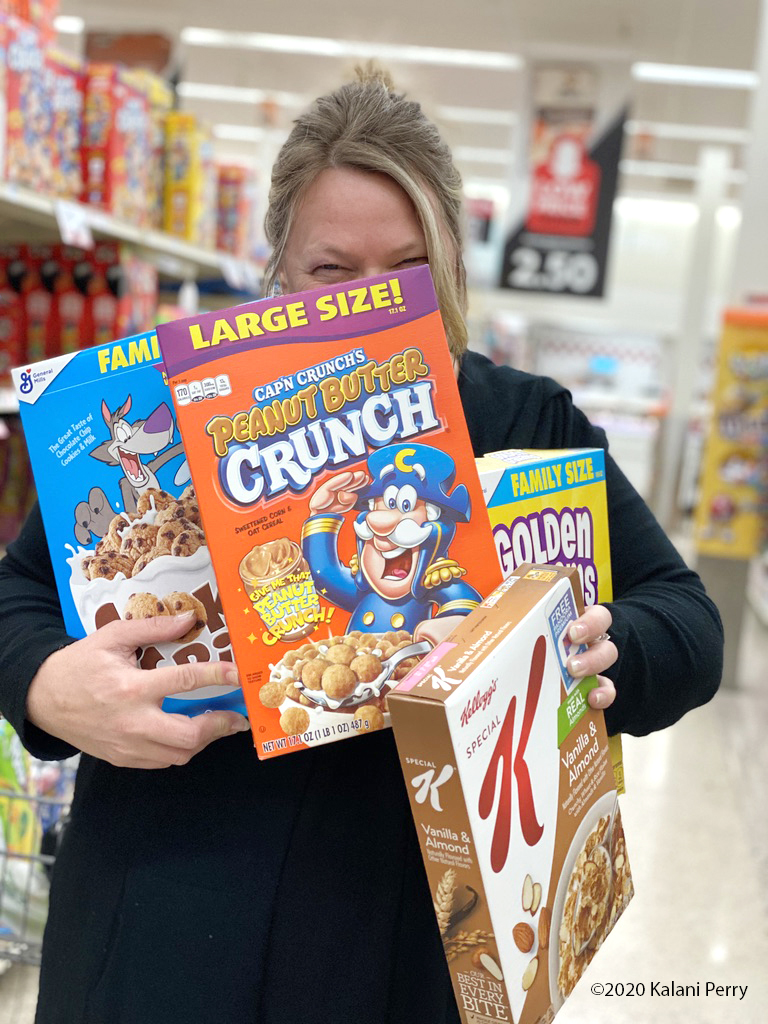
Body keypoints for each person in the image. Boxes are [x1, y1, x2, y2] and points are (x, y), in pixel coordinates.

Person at [0, 66, 722, 1024]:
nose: (364, 305)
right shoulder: (175, 408)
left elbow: (689, 622)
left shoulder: (519, 419)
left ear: (451, 265)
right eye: (331, 271)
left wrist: (595, 644)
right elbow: (17, 600)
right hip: (163, 906)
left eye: (406, 272)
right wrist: (51, 691)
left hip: (405, 935)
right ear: (278, 269)